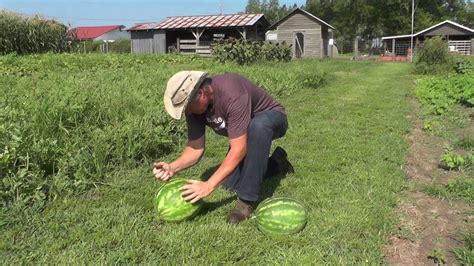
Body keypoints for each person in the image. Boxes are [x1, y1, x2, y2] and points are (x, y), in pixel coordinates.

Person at [153, 71, 294, 224]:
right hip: (245, 130)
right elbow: (195, 148)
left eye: (187, 107)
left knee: (258, 127)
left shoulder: (232, 93)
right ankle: (277, 164)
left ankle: (246, 202)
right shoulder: (194, 109)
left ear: (201, 94)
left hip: (271, 118)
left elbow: (239, 149)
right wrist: (172, 167)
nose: (187, 112)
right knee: (230, 184)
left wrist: (208, 185)